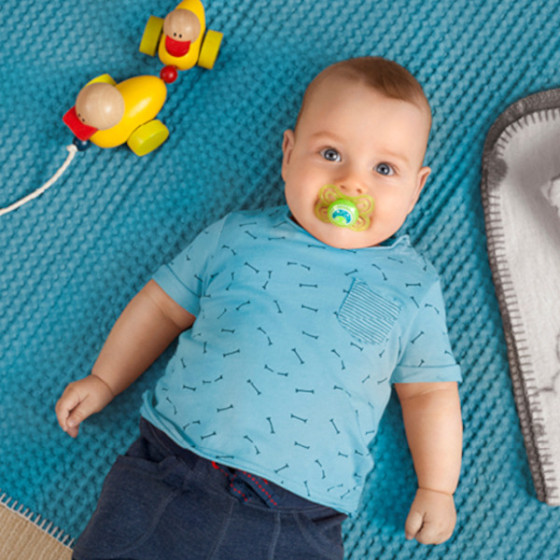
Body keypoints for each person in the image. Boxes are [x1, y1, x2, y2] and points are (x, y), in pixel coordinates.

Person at [56, 56, 463, 560]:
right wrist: (105, 378)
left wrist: (438, 486)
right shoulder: (239, 236)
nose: (352, 184)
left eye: (384, 169)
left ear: (417, 188)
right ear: (289, 155)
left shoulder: (411, 284)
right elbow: (161, 307)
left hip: (298, 515)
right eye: (331, 154)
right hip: (171, 471)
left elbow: (429, 392)